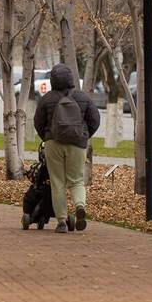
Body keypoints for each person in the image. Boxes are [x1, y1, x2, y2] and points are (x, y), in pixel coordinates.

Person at [33, 63, 100, 233]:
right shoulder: (82, 97)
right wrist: (84, 136)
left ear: (53, 80)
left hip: (53, 143)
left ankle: (62, 221)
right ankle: (80, 206)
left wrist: (47, 138)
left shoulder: (47, 99)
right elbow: (95, 120)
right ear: (71, 79)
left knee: (57, 183)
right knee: (76, 180)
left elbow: (38, 122)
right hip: (77, 144)